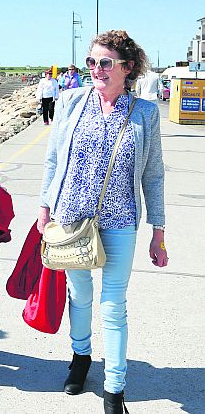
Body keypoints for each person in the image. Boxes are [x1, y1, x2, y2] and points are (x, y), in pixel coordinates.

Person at [37, 30, 167, 413]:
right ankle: (80, 358)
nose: (96, 69)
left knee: (113, 303)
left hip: (121, 220)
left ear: (128, 68)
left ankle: (115, 389)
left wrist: (158, 232)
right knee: (80, 295)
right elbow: (52, 160)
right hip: (71, 218)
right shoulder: (70, 101)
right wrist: (45, 208)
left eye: (106, 62)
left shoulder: (144, 112)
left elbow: (154, 175)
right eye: (92, 61)